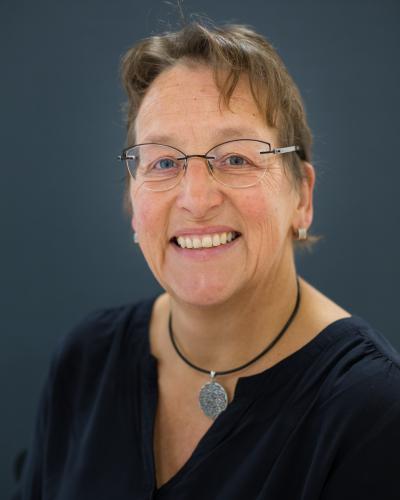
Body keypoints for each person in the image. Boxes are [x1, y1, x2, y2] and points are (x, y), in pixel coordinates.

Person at [20, 21, 400, 500]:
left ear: (302, 196)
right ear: (133, 205)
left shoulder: (374, 412)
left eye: (236, 159)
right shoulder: (86, 362)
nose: (196, 200)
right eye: (163, 162)